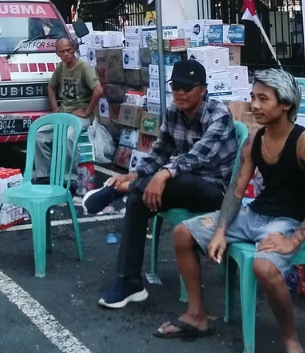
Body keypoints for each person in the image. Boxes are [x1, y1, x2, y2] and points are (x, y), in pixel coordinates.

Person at [156, 69, 305, 350]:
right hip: (253, 215)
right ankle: (196, 315)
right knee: (182, 234)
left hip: (288, 223)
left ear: (286, 104)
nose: (254, 105)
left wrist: (295, 240)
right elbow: (236, 191)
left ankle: (291, 340)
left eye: (263, 99)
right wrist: (220, 230)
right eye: (253, 97)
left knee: (263, 267)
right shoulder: (255, 140)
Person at [93, 59, 239, 309]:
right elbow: (159, 153)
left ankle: (117, 192)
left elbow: (197, 156)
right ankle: (129, 282)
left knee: (178, 179)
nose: (180, 93)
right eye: (175, 87)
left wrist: (162, 175)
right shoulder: (173, 112)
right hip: (180, 184)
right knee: (139, 200)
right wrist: (134, 176)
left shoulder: (219, 115)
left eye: (187, 87)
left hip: (215, 191)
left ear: (203, 89)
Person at [35, 38, 104, 183]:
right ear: (58, 54)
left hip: (80, 115)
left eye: (69, 50)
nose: (66, 54)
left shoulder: (83, 67)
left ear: (74, 49)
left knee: (67, 137)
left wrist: (87, 112)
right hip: (64, 113)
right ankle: (44, 175)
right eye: (62, 52)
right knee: (39, 134)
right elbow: (51, 87)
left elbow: (98, 91)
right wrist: (55, 107)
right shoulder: (61, 67)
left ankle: (69, 177)